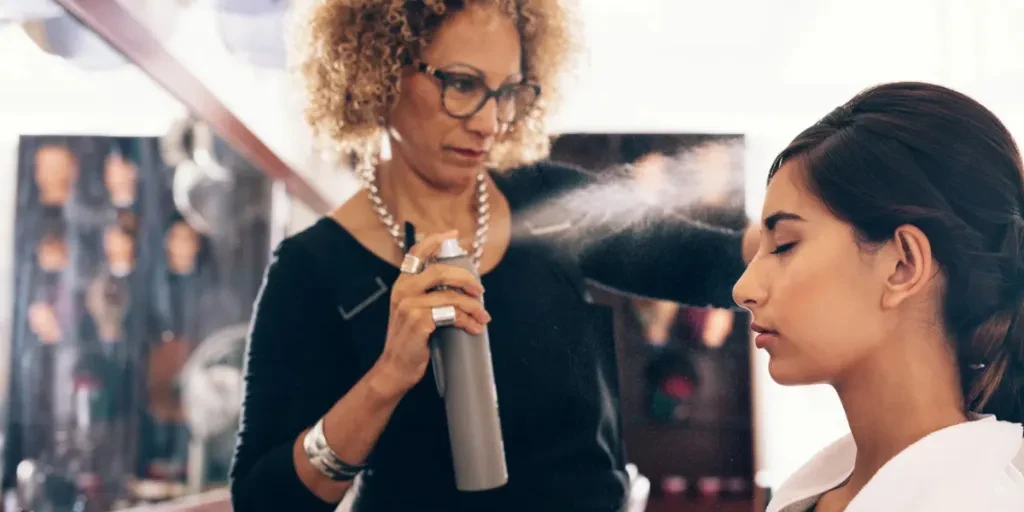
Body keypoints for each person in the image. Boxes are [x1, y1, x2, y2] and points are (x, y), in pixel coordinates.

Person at [230, 1, 757, 511]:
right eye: (461, 84)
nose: (490, 123)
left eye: (507, 92)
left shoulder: (549, 203)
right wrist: (386, 378)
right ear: (380, 69)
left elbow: (709, 261)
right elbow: (263, 500)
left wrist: (796, 225)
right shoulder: (313, 270)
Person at [733, 82, 1024, 512]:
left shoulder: (979, 501)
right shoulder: (817, 492)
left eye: (784, 246)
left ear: (902, 265)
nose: (743, 291)